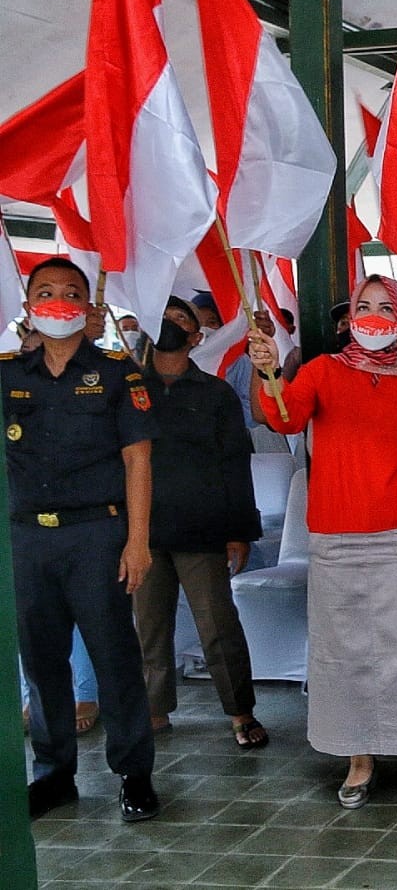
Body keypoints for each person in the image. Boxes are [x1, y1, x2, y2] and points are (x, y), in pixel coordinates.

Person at [246, 275, 397, 807]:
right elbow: (283, 414)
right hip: (336, 540)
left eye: (383, 305)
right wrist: (268, 369)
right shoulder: (321, 371)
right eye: (362, 305)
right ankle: (357, 756)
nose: (371, 314)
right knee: (342, 651)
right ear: (348, 319)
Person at [5, 257, 161, 822]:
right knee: (41, 661)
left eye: (71, 292)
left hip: (97, 535)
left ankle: (134, 774)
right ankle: (53, 774)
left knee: (114, 657)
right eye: (44, 293)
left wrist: (137, 540)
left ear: (88, 307)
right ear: (27, 307)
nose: (58, 302)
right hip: (27, 538)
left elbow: (137, 459)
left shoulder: (118, 373)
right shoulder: (8, 376)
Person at [134, 297, 267, 748]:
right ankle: (152, 710)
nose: (171, 324)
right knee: (149, 628)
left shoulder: (215, 394)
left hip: (202, 529)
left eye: (181, 319)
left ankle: (241, 712)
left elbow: (235, 464)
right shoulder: (127, 390)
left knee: (218, 626)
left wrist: (239, 530)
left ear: (196, 337)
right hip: (142, 533)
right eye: (164, 317)